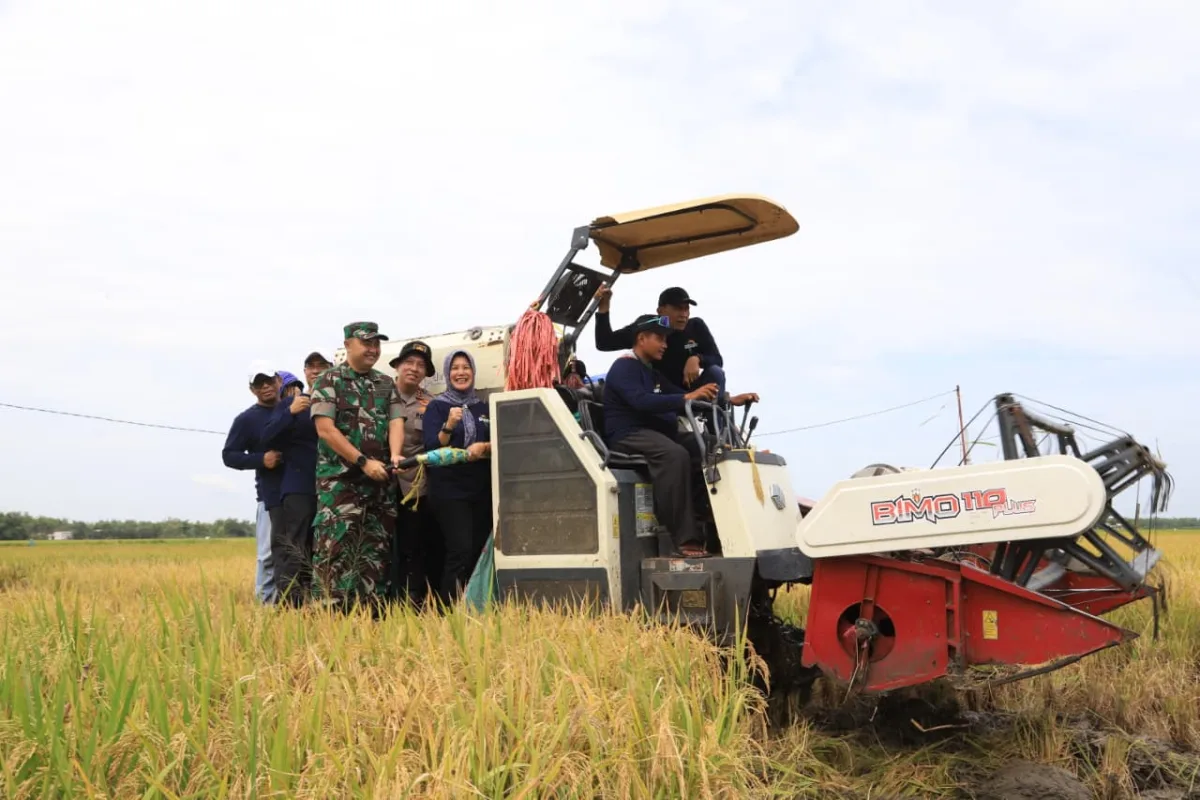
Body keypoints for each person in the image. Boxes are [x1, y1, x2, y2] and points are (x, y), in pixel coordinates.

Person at [602, 314, 757, 558]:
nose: (665, 344)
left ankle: (717, 529)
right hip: (629, 435)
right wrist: (686, 397)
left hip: (656, 434)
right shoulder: (624, 366)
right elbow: (641, 401)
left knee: (712, 447)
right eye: (659, 338)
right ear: (641, 339)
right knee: (675, 455)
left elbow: (684, 395)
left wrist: (729, 399)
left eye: (666, 339)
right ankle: (684, 540)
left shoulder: (651, 372)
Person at [308, 322, 407, 613]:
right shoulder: (329, 381)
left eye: (376, 344)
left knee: (375, 552)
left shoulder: (385, 383)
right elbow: (325, 430)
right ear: (348, 344)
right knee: (334, 551)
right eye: (366, 343)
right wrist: (363, 462)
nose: (373, 349)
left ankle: (369, 617)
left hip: (379, 484)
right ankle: (328, 617)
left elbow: (395, 421)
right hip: (341, 485)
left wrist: (396, 456)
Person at [260, 351, 331, 606]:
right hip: (299, 485)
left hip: (333, 485)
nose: (315, 371)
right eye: (310, 367)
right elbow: (266, 438)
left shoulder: (338, 401)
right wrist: (289, 412)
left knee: (323, 546)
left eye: (321, 366)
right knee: (295, 544)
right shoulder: (290, 404)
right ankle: (291, 604)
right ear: (305, 373)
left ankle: (317, 600)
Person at [422, 350, 493, 601]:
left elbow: (497, 442)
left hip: (481, 489)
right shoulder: (437, 406)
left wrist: (484, 448)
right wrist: (449, 425)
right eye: (455, 368)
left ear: (473, 372)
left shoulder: (484, 406)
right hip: (450, 491)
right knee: (459, 551)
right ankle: (448, 611)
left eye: (466, 367)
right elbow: (431, 447)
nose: (461, 372)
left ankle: (475, 606)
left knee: (477, 550)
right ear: (447, 373)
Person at [388, 340, 444, 609]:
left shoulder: (431, 404)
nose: (414, 368)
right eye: (408, 363)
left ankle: (414, 599)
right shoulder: (380, 396)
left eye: (421, 365)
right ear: (397, 366)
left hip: (415, 485)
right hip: (381, 483)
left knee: (414, 543)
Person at [222, 367, 285, 603]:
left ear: (278, 381)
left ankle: (296, 606)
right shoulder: (246, 419)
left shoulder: (292, 410)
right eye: (259, 384)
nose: (265, 386)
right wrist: (261, 460)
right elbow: (229, 455)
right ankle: (265, 608)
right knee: (268, 555)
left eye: (268, 381)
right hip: (269, 495)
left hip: (301, 494)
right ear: (252, 390)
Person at [593, 285, 726, 395]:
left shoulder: (696, 326)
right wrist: (604, 307)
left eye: (686, 309)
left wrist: (697, 359)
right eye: (678, 309)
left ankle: (715, 424)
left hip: (692, 390)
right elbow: (604, 343)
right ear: (660, 311)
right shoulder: (649, 326)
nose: (684, 315)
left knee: (716, 372)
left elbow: (717, 360)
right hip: (661, 392)